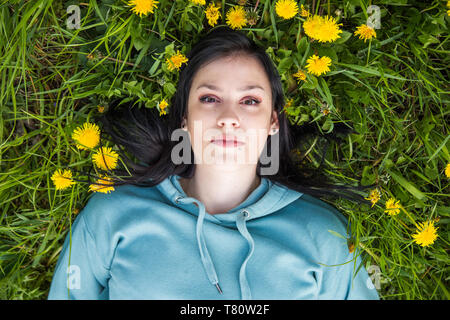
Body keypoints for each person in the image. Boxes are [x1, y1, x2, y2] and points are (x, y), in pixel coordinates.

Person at [48, 26, 379, 300]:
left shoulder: (323, 235)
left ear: (273, 122)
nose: (228, 118)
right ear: (185, 119)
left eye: (250, 101)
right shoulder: (112, 214)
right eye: (209, 98)